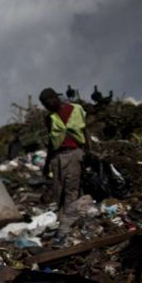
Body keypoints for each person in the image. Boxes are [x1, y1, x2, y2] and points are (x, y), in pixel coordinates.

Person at [40, 87, 91, 241]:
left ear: (56, 98)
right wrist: (47, 163)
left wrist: (89, 153)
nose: (48, 106)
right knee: (59, 191)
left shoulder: (76, 109)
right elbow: (51, 141)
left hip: (75, 153)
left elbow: (84, 131)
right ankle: (64, 222)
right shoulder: (50, 118)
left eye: (49, 102)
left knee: (71, 189)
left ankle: (69, 225)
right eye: (45, 104)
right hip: (57, 157)